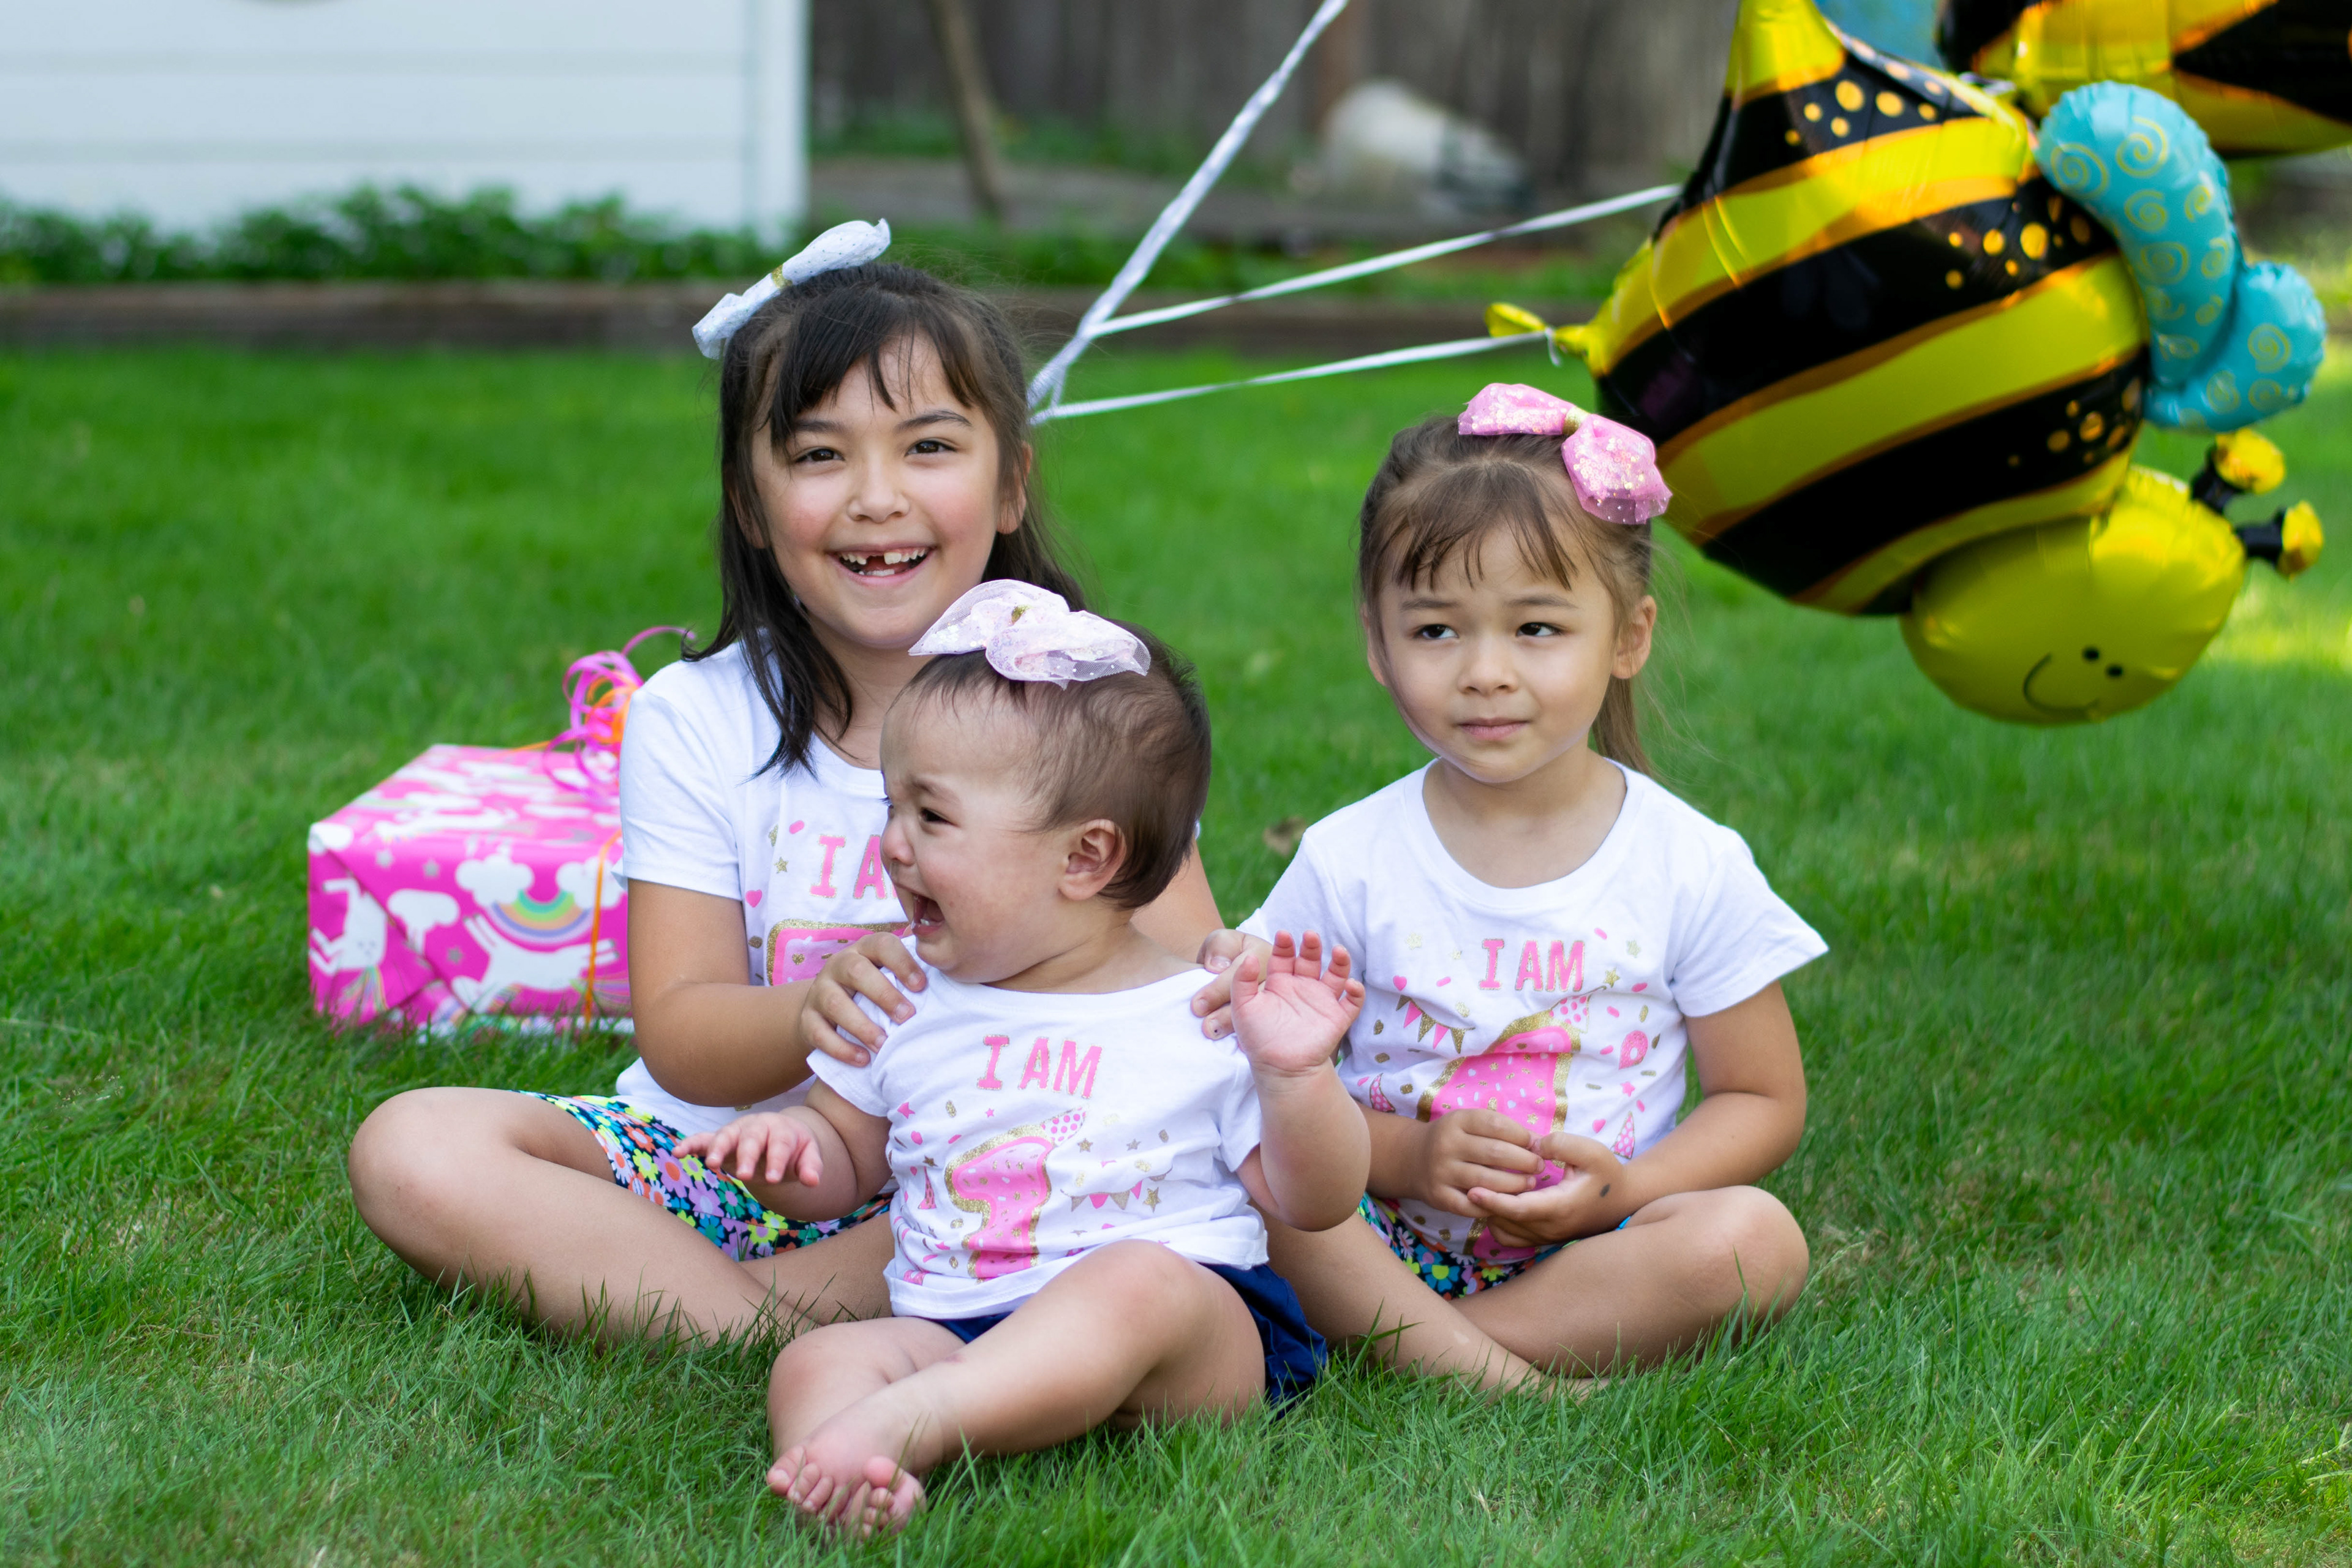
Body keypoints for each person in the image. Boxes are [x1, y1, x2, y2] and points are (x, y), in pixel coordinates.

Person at [345, 225, 1223, 1343]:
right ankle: (758, 1312)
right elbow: (683, 1032)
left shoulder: (1084, 695)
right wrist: (816, 1012)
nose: (876, 498)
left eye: (929, 446)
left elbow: (1189, 984)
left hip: (1008, 1162)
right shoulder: (696, 719)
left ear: (1011, 483)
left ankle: (771, 1303)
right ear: (752, 507)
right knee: (416, 1147)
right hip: (738, 1163)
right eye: (819, 456)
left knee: (1170, 1168)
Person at [679, 584, 1368, 1536]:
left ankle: (912, 1421)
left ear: (1084, 858)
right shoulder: (903, 1000)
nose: (893, 845)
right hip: (957, 1323)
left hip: (1186, 1343)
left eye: (932, 817)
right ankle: (850, 1479)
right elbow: (847, 1166)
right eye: (892, 806)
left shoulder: (1202, 1011)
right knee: (816, 1359)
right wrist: (791, 1151)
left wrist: (1295, 1077)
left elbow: (1316, 1201)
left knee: (1137, 1280)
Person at [1190, 383, 1824, 1391]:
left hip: (1594, 1247)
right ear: (1378, 643)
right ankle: (1499, 1376)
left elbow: (1762, 1098)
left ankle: (1429, 1349)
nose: (1485, 672)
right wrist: (1407, 1157)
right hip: (1379, 1234)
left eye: (1535, 628)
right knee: (1256, 1175)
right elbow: (1268, 1070)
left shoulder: (1687, 862)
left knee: (1755, 1241)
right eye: (1437, 632)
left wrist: (1628, 1189)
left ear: (1628, 637)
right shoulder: (1353, 856)